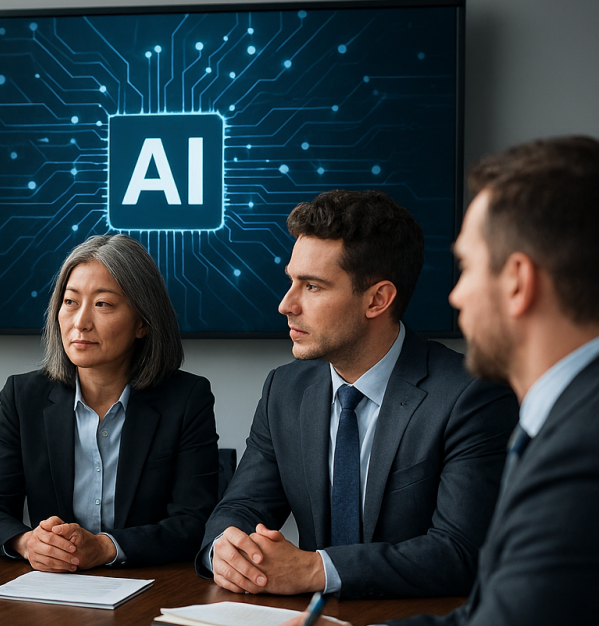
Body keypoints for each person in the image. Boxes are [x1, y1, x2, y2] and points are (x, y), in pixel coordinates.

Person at [130, 136, 599, 626]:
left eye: (468, 270)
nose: (455, 297)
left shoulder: (564, 440)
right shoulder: (287, 389)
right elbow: (501, 621)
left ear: (517, 281)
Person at [197, 190, 517, 598]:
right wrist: (225, 550)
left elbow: (458, 552)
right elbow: (241, 507)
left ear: (377, 300)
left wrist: (315, 570)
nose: (286, 305)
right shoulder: (284, 389)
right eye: (291, 281)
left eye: (312, 287)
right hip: (300, 625)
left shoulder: (470, 395)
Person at [0, 234, 218, 569]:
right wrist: (28, 543)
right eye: (70, 302)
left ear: (143, 322)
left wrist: (105, 547)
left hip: (150, 586)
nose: (81, 323)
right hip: (53, 587)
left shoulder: (187, 399)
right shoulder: (23, 396)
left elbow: (195, 522)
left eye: (102, 304)